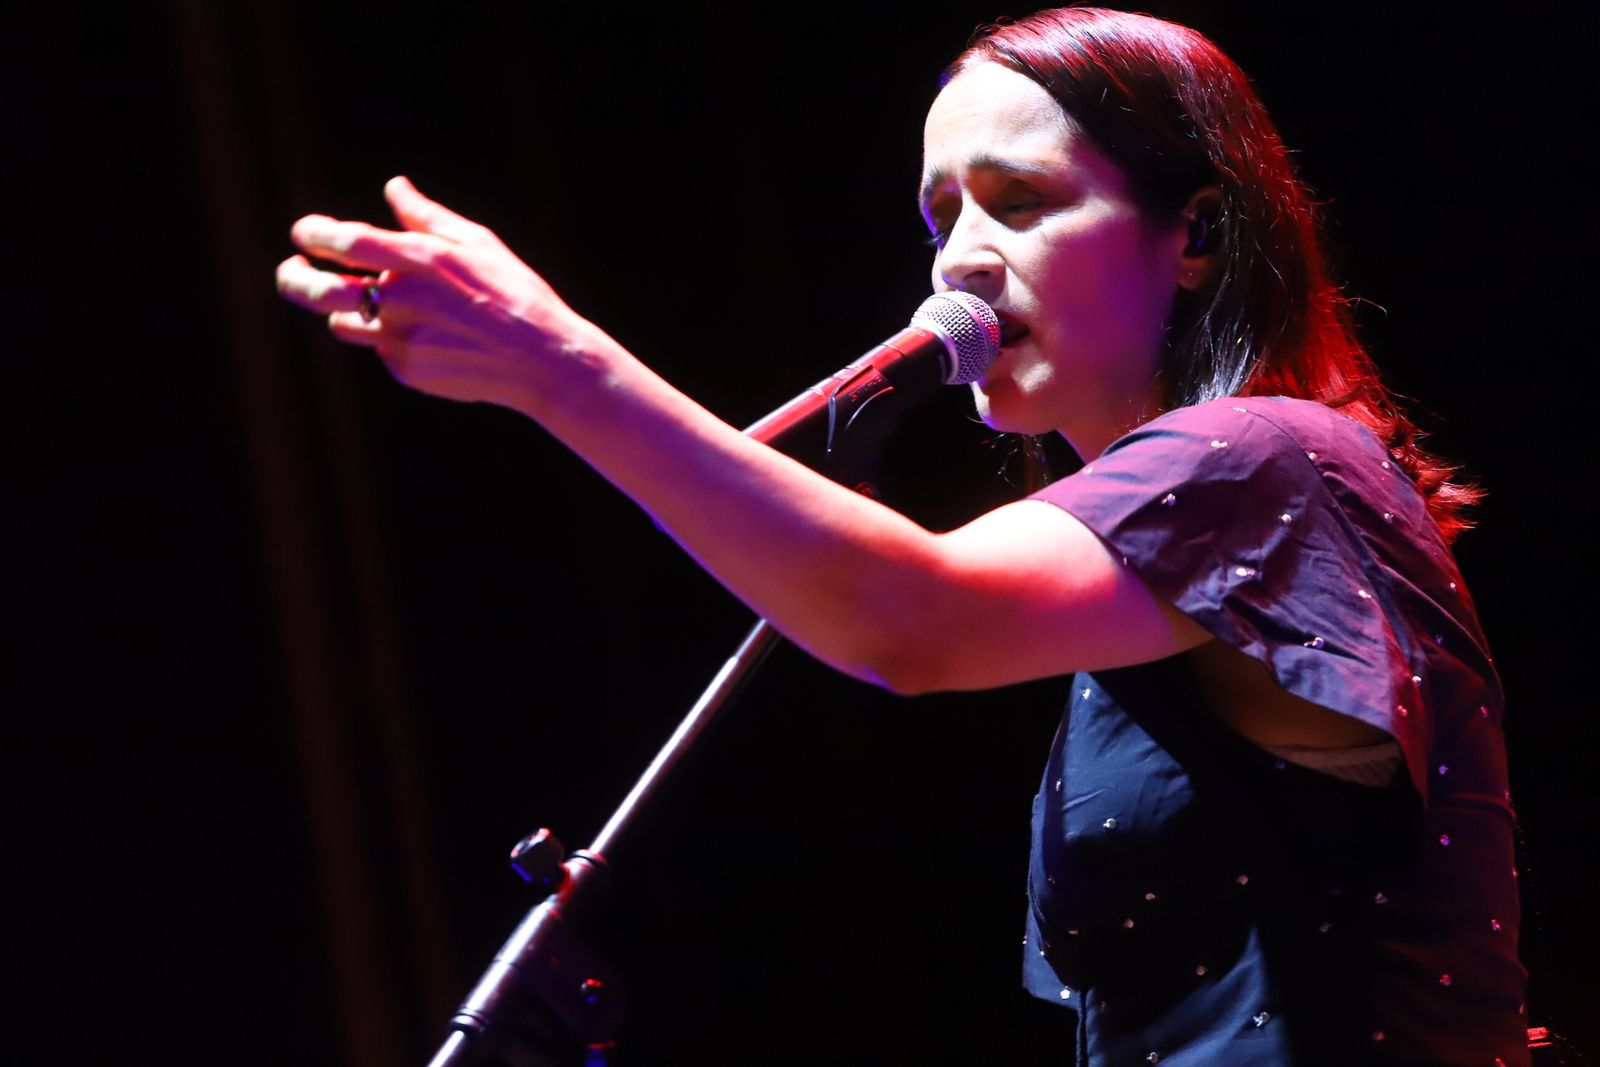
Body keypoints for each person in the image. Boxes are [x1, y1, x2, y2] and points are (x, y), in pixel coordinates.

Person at [276, 8, 1526, 1064]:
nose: (963, 262)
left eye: (1020, 202)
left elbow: (909, 616)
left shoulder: (1269, 459)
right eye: (942, 219)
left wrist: (559, 366)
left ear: (1194, 234)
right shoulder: (1173, 551)